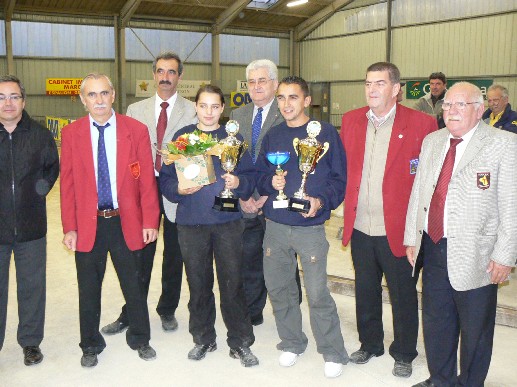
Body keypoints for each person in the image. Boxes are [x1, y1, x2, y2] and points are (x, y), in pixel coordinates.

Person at [404, 82, 517, 387]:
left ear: (479, 110)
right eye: (447, 105)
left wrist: (504, 255)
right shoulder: (433, 141)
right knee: (436, 322)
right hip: (434, 246)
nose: (451, 111)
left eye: (460, 105)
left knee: (475, 329)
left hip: (477, 254)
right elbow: (419, 192)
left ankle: (469, 383)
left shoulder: (503, 143)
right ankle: (440, 380)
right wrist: (412, 237)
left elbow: (512, 204)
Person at [340, 62, 437, 378]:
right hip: (360, 226)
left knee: (403, 294)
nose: (372, 89)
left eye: (380, 83)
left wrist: (418, 232)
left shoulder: (422, 124)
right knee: (365, 288)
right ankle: (370, 344)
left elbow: (429, 181)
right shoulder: (352, 120)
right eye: (368, 83)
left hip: (399, 229)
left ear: (396, 89)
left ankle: (405, 352)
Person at [60, 73, 160, 367]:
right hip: (89, 224)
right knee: (88, 287)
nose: (99, 100)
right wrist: (71, 227)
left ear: (113, 95)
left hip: (125, 221)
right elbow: (67, 186)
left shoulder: (135, 130)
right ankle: (90, 344)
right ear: (83, 100)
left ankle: (141, 338)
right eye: (92, 95)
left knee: (134, 284)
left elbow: (146, 184)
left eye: (104, 93)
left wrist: (150, 221)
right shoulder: (71, 134)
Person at [255, 76, 348, 378]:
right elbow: (259, 175)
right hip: (276, 227)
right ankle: (292, 342)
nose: (286, 104)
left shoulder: (326, 134)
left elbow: (339, 180)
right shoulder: (273, 136)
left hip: (309, 229)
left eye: (293, 98)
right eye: (281, 98)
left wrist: (320, 201)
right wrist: (271, 182)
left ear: (307, 101)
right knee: (280, 289)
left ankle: (332, 351)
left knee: (318, 292)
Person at [160, 84, 259, 367]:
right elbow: (165, 181)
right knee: (199, 284)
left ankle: (240, 342)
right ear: (196, 106)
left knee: (232, 284)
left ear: (222, 109)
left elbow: (250, 177)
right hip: (192, 225)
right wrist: (179, 188)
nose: (209, 112)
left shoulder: (233, 138)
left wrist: (239, 183)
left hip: (228, 223)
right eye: (204, 105)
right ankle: (203, 338)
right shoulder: (183, 138)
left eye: (215, 106)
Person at [102, 51, 197, 335]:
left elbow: (196, 151)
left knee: (175, 256)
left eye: (171, 72)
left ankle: (167, 309)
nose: (165, 77)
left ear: (179, 76)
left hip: (179, 189)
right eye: (160, 71)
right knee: (138, 253)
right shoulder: (135, 110)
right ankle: (131, 311)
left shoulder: (192, 110)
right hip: (143, 190)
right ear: (153, 74)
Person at [229, 59, 302, 326]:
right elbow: (233, 159)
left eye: (262, 80)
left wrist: (269, 194)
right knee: (249, 257)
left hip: (277, 198)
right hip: (247, 199)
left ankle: (292, 307)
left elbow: (295, 163)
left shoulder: (287, 112)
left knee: (284, 256)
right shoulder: (237, 116)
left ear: (274, 83)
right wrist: (245, 195)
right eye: (251, 81)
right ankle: (253, 310)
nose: (257, 86)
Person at [0, 75, 59, 366]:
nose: (8, 103)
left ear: (23, 101)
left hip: (32, 227)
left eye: (13, 96)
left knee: (32, 287)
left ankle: (31, 342)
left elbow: (52, 167)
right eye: (1, 97)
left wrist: (41, 190)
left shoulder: (39, 134)